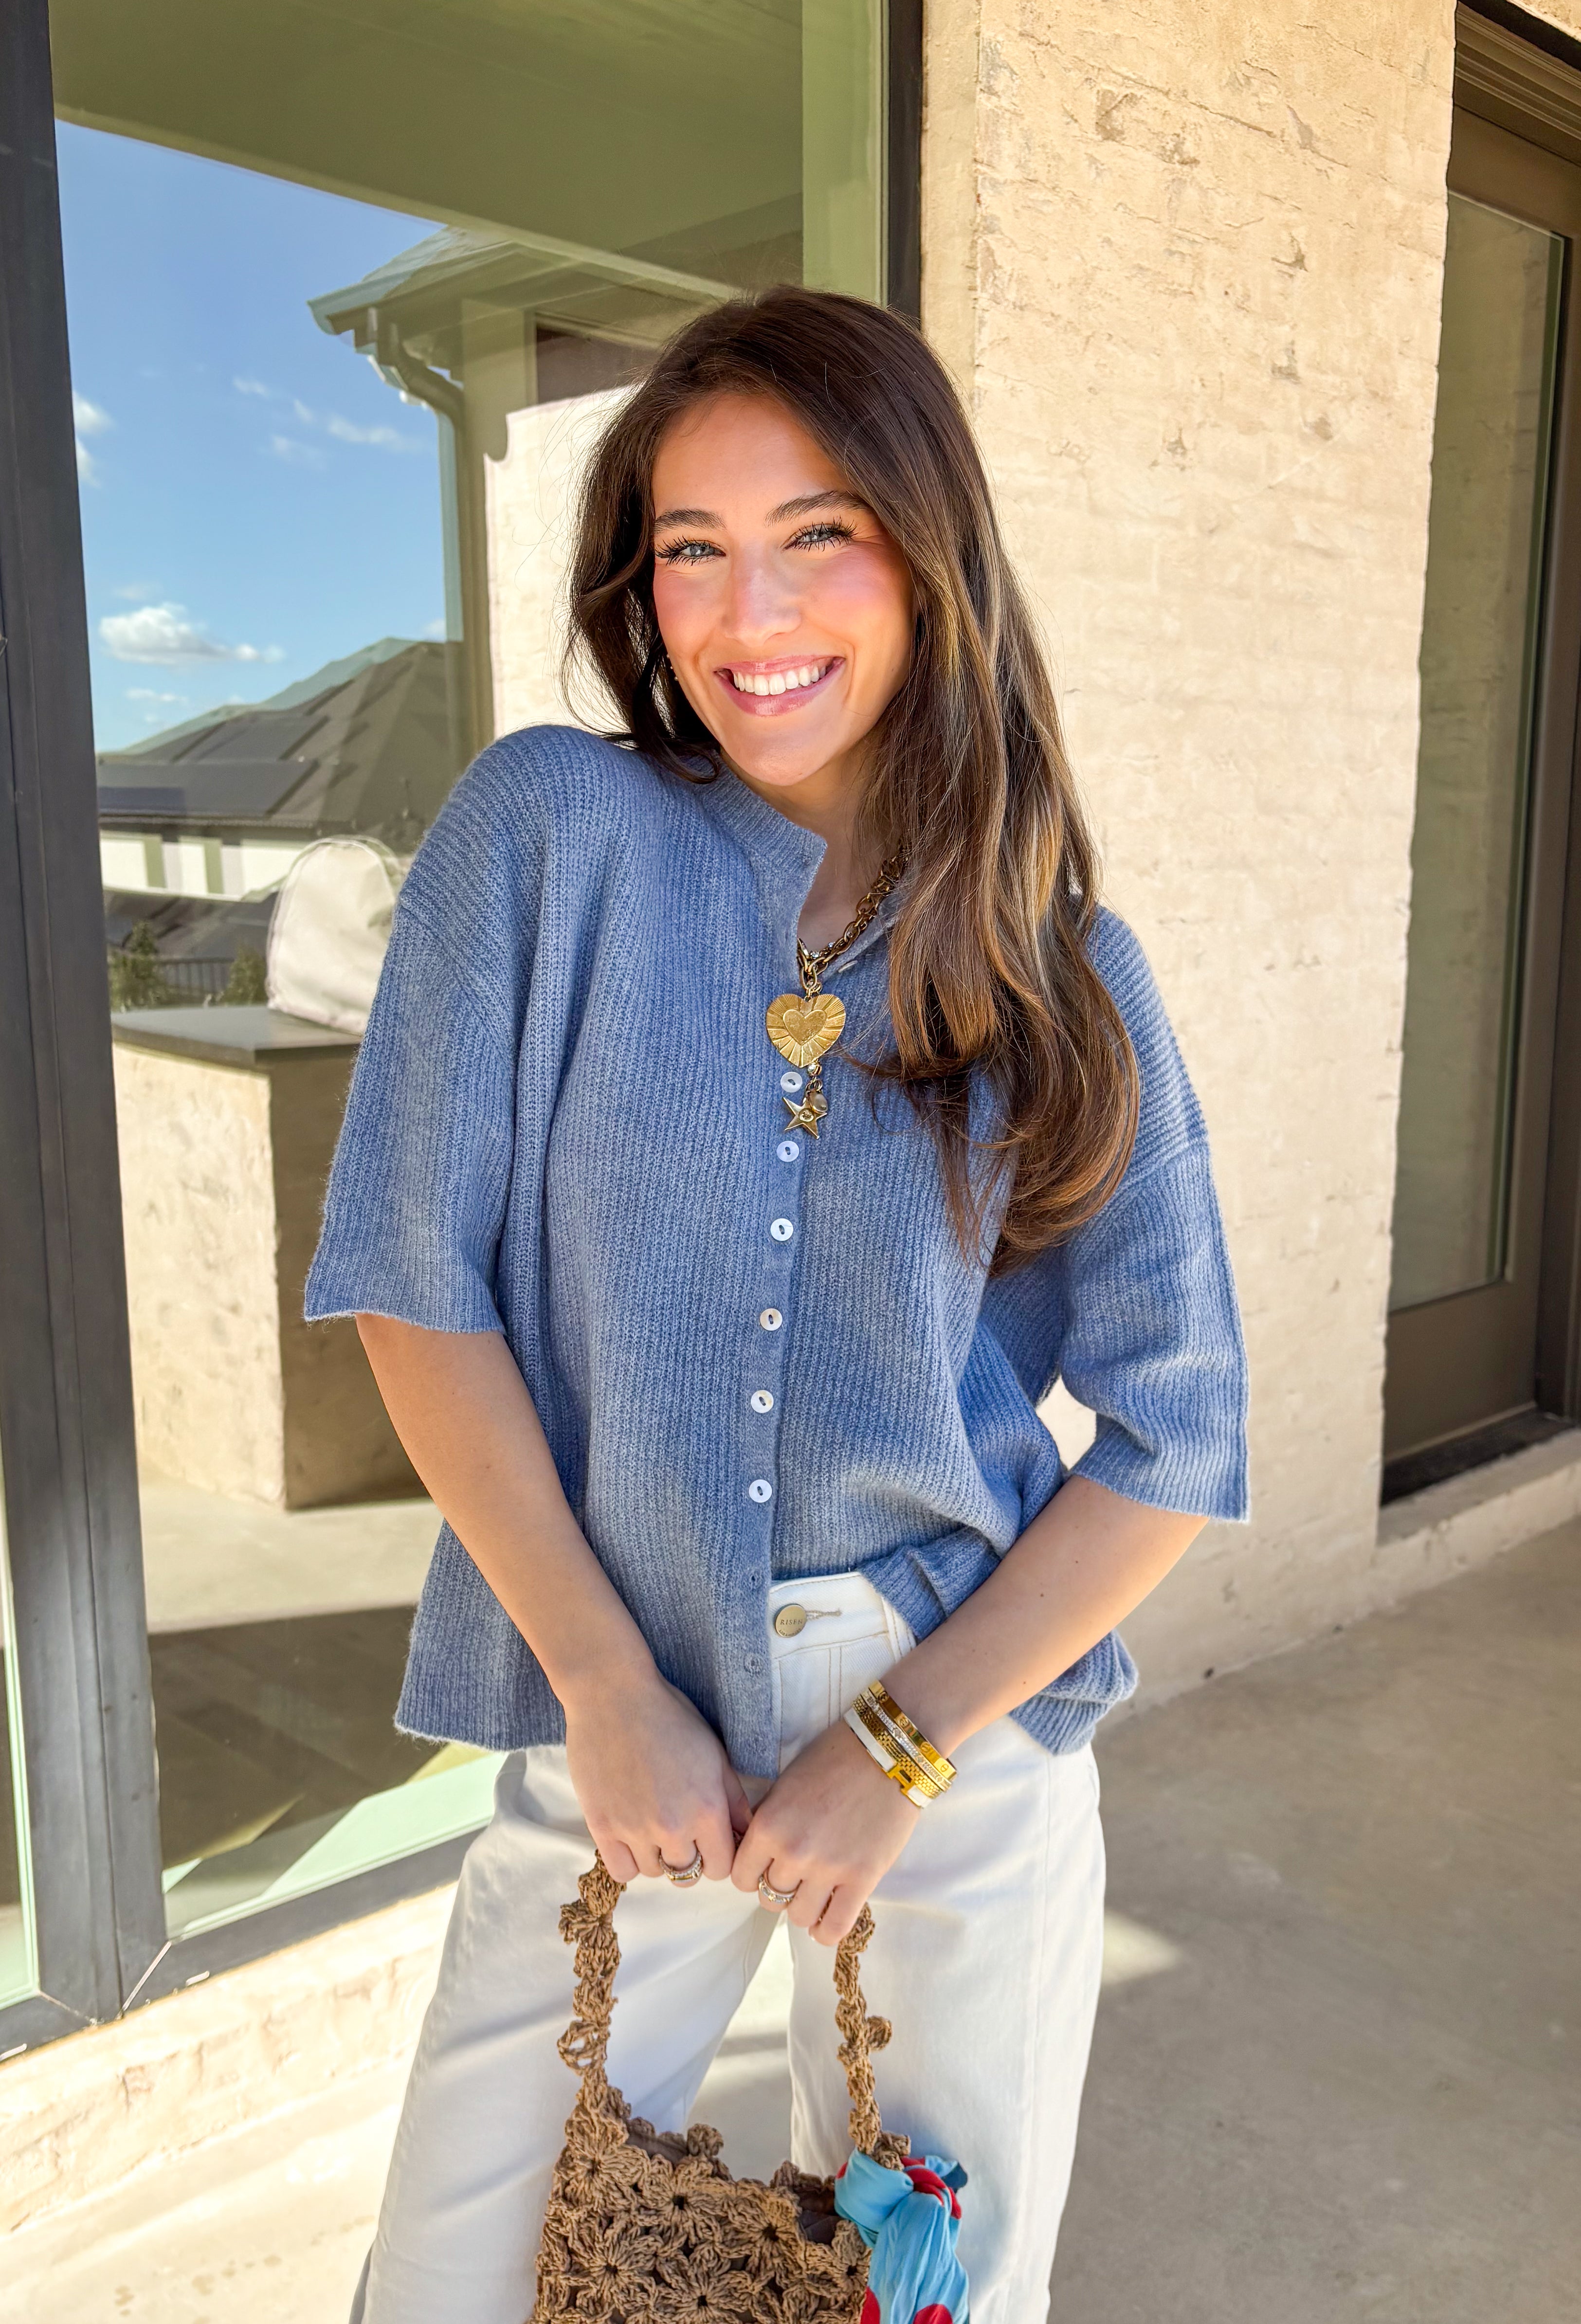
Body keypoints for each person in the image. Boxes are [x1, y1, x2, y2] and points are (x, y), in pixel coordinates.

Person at [307, 284, 1248, 2324]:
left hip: (953, 1747)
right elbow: (414, 1283)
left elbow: (1184, 1438)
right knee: (454, 2279)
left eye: (817, 532)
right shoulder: (548, 836)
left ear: (926, 556)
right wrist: (608, 1685)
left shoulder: (1064, 973)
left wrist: (900, 1748)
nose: (754, 616)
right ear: (639, 595)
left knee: (925, 2291)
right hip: (615, 1705)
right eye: (691, 551)